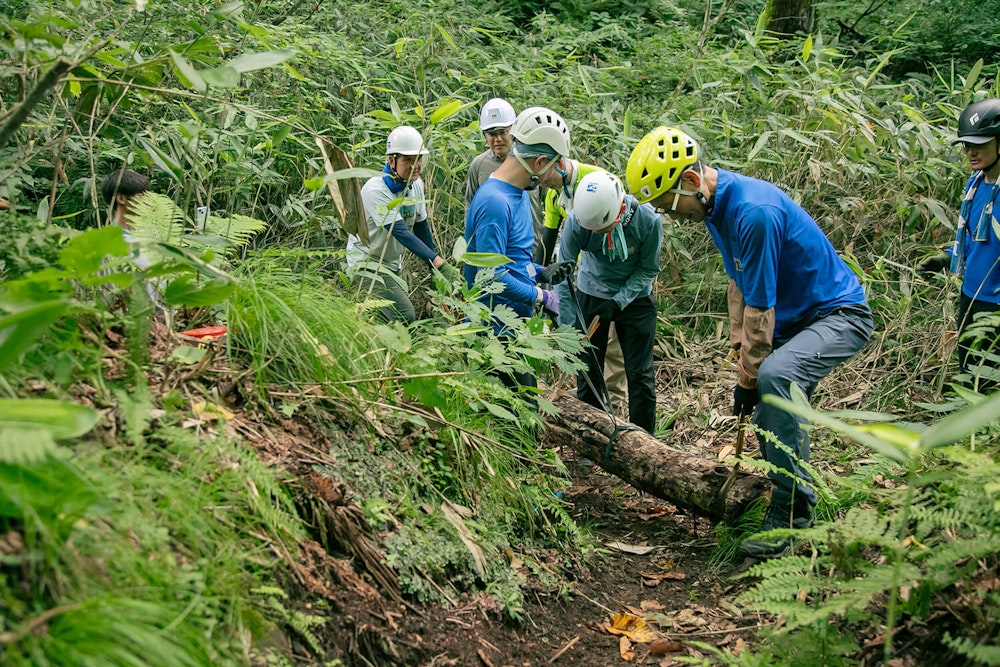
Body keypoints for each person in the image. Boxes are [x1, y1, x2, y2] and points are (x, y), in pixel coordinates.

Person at [626, 126, 873, 559]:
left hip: (836, 315)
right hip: (792, 321)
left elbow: (760, 310)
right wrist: (741, 352)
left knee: (774, 379)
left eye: (670, 205)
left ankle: (792, 517)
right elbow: (739, 285)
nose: (671, 216)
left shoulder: (752, 213)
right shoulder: (717, 209)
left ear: (691, 181)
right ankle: (787, 495)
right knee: (769, 410)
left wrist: (750, 377)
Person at [464, 106, 575, 390]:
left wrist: (540, 272)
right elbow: (491, 276)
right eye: (554, 165)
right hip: (493, 333)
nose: (556, 174)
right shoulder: (494, 203)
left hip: (515, 326)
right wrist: (541, 296)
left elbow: (512, 260)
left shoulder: (520, 193)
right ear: (538, 162)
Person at [557, 171, 662, 433]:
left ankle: (646, 444)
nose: (594, 233)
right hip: (592, 291)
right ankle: (590, 437)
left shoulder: (647, 221)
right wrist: (568, 329)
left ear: (619, 211)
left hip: (635, 296)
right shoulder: (577, 222)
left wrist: (618, 301)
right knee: (588, 370)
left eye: (600, 229)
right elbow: (563, 275)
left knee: (640, 375)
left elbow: (649, 269)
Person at [919, 98, 1000, 390]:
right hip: (970, 295)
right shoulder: (975, 185)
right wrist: (948, 258)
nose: (971, 151)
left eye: (980, 143)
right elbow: (974, 237)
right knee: (968, 371)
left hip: (996, 303)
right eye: (967, 144)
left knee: (990, 380)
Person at [346, 125, 459, 324]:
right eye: (408, 160)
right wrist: (439, 262)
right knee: (404, 315)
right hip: (367, 264)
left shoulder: (416, 185)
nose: (416, 166)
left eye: (419, 159)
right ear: (392, 160)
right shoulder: (376, 189)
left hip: (390, 264)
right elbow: (401, 232)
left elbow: (421, 228)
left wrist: (433, 268)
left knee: (382, 316)